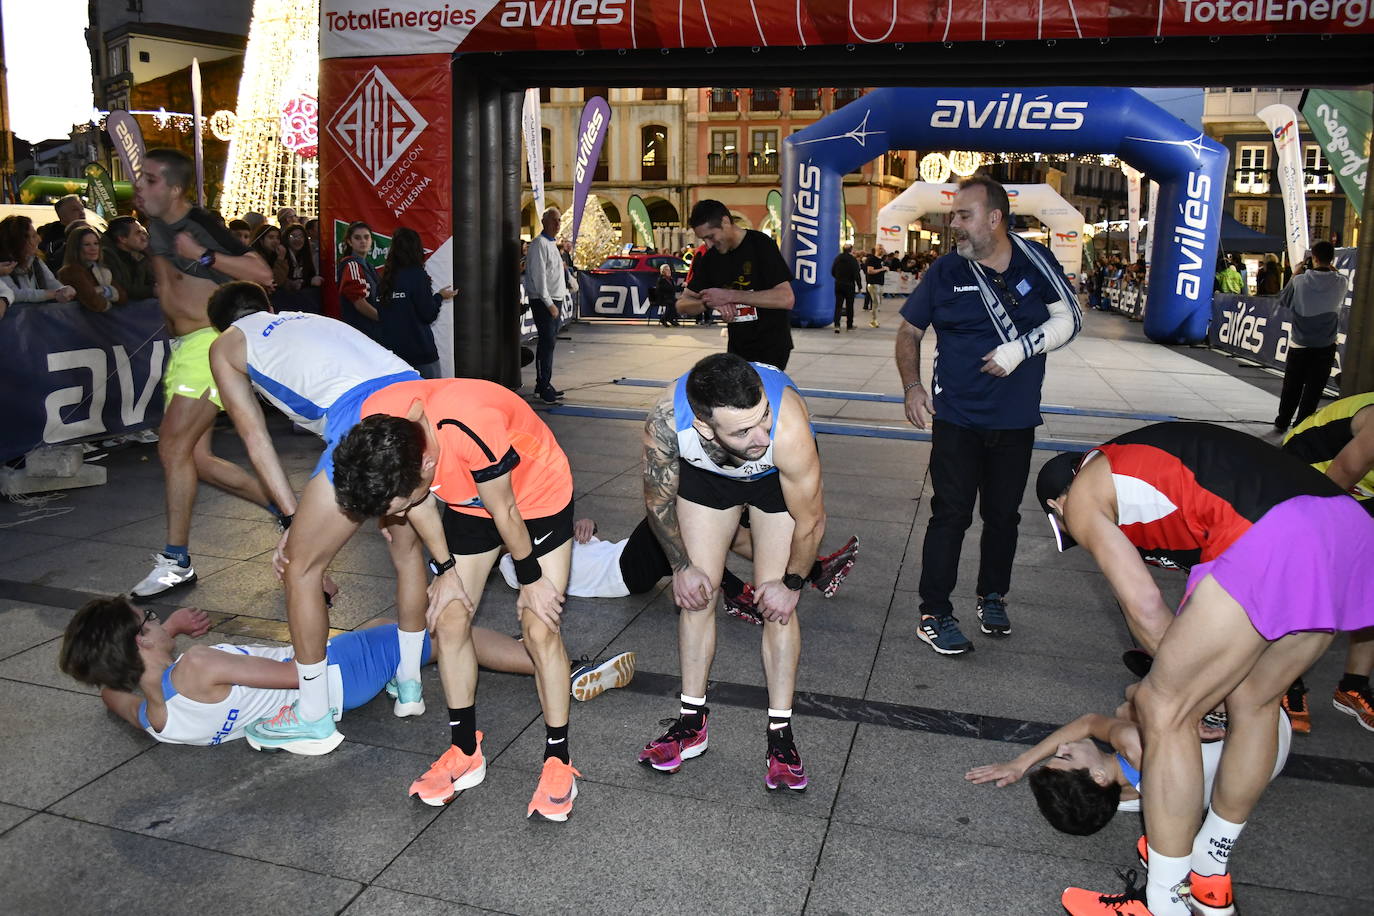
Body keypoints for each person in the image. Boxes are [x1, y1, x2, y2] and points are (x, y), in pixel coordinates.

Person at [1036, 422, 1374, 916]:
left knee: (1162, 707)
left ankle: (1164, 902)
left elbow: (1147, 607)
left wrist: (1186, 696)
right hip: (1350, 529)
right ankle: (1210, 875)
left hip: (1277, 531)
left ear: (1057, 506)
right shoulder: (1146, 464)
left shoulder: (1083, 495)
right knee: (1254, 699)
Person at [328, 378, 583, 820]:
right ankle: (466, 750)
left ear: (426, 462)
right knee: (447, 618)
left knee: (540, 627)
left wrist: (532, 581)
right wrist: (445, 572)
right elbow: (417, 503)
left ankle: (558, 757)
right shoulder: (382, 422)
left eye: (398, 504)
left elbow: (504, 511)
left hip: (535, 494)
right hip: (467, 500)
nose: (397, 514)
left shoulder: (468, 424)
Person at [895, 175, 1080, 655]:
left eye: (963, 215)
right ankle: (934, 611)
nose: (952, 222)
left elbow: (1069, 322)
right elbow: (909, 333)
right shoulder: (943, 271)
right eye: (953, 214)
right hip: (955, 417)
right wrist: (913, 387)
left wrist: (1019, 351)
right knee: (950, 514)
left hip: (1016, 420)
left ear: (994, 218)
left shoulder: (1036, 263)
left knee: (1003, 517)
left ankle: (992, 595)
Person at [638, 353, 825, 790]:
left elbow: (812, 521)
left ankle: (781, 735)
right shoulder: (668, 420)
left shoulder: (785, 428)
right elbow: (656, 500)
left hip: (775, 478)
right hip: (708, 476)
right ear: (705, 426)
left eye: (763, 418)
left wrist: (792, 583)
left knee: (777, 605)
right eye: (744, 430)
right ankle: (691, 723)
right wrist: (681, 566)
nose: (761, 434)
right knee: (697, 593)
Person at [129, 147, 275, 599]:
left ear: (173, 188)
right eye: (140, 179)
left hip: (208, 344)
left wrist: (204, 257)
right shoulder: (155, 226)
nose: (140, 187)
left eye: (150, 180)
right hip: (183, 348)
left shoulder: (200, 224)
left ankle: (176, 561)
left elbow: (262, 273)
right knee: (198, 460)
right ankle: (289, 510)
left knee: (172, 447)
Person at [966, 693, 1291, 841]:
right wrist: (1021, 763)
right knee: (1135, 697)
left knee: (1129, 711)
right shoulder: (1137, 748)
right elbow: (1090, 722)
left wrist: (1020, 765)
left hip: (1263, 768)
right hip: (1264, 724)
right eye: (1067, 757)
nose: (1062, 747)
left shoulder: (1120, 802)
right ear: (1098, 775)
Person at [498, 515, 858, 622]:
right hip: (624, 575)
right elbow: (537, 573)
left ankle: (813, 571)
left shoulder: (546, 538)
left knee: (722, 530)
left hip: (626, 556)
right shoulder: (513, 567)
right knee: (666, 520)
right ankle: (735, 592)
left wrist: (585, 524)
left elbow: (582, 538)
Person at [1278, 392, 1374, 734]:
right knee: (1311, 584)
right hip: (1309, 476)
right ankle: (1285, 682)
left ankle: (1353, 687)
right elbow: (1340, 477)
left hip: (1359, 490)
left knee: (1370, 582)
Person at [676, 200, 795, 369]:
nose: (709, 244)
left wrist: (730, 296)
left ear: (725, 221)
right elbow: (682, 304)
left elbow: (786, 298)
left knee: (761, 394)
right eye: (703, 239)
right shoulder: (711, 258)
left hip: (771, 346)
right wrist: (708, 302)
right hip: (737, 349)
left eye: (711, 236)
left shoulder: (760, 244)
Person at [1270, 240, 1348, 436]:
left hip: (1300, 343)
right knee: (1314, 389)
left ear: (1313, 258)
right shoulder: (1341, 282)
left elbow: (1284, 300)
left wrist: (1296, 272)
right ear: (1332, 259)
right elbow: (1335, 273)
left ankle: (1283, 421)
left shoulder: (1299, 281)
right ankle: (1302, 425)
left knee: (1292, 386)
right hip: (1325, 344)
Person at [377, 226, 453, 378]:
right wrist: (439, 297)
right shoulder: (417, 276)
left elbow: (382, 314)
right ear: (417, 248)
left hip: (393, 355)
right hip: (420, 353)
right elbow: (428, 314)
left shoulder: (385, 278)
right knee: (430, 398)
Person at [523, 207, 566, 403]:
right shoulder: (539, 244)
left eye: (559, 221)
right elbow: (539, 276)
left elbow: (556, 273)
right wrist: (549, 304)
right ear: (545, 221)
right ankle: (542, 384)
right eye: (554, 220)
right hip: (543, 301)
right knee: (546, 342)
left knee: (550, 344)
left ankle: (545, 382)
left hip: (554, 299)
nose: (557, 224)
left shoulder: (552, 244)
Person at [0, 215, 77, 304]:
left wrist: (64, 290)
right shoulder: (3, 266)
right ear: (19, 242)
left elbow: (52, 283)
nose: (39, 239)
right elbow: (13, 294)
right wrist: (51, 294)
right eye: (33, 236)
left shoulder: (34, 261)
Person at [57, 224, 125, 312]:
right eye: (87, 244)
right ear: (76, 248)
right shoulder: (71, 271)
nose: (93, 248)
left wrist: (104, 290)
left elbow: (122, 297)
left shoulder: (101, 270)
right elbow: (95, 303)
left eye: (96, 243)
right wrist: (110, 298)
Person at [337, 221, 382, 342]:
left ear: (372, 240)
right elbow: (359, 303)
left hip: (370, 330)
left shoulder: (368, 266)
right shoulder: (352, 265)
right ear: (349, 242)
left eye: (366, 237)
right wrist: (383, 318)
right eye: (357, 238)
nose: (363, 241)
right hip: (361, 332)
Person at [102, 216, 156, 301]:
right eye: (138, 233)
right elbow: (123, 289)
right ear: (122, 239)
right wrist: (153, 290)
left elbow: (153, 280)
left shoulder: (141, 254)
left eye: (143, 232)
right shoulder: (107, 257)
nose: (144, 237)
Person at [280, 223, 322, 312]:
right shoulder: (282, 254)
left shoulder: (305, 255)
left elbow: (310, 276)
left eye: (301, 236)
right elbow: (281, 280)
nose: (297, 239)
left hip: (302, 295)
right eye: (293, 236)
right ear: (287, 238)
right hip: (286, 297)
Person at [38, 194, 86, 268]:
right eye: (75, 210)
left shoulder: (93, 233)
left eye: (82, 208)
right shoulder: (51, 240)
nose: (82, 212)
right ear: (63, 216)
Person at [830, 243, 862, 333]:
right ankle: (849, 326)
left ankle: (837, 325)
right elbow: (856, 274)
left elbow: (832, 270)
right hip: (849, 285)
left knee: (838, 306)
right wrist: (859, 286)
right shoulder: (853, 260)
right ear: (851, 250)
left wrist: (838, 278)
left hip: (839, 284)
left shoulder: (838, 258)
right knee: (849, 306)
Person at [653, 263, 680, 327]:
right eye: (667, 270)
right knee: (673, 303)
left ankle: (670, 319)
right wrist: (673, 288)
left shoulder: (671, 279)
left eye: (669, 270)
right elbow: (664, 289)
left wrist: (682, 286)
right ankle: (665, 319)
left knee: (676, 302)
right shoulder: (661, 280)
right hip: (662, 298)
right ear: (663, 272)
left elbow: (675, 289)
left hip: (670, 298)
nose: (669, 271)